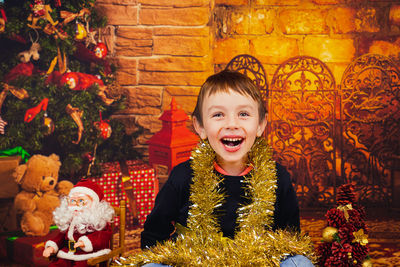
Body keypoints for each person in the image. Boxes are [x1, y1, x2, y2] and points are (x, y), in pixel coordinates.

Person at [135, 70, 314, 266]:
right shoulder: (184, 176)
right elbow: (153, 236)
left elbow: (291, 238)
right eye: (218, 114)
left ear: (261, 124)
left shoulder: (277, 177)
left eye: (243, 114)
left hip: (257, 263)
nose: (231, 124)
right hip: (197, 262)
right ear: (200, 127)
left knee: (299, 262)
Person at [42, 179, 115, 267]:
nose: (76, 205)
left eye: (81, 201)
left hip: (88, 257)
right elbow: (60, 237)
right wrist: (52, 247)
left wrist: (84, 242)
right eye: (72, 201)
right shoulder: (72, 220)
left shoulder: (98, 222)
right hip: (67, 255)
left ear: (94, 204)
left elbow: (102, 237)